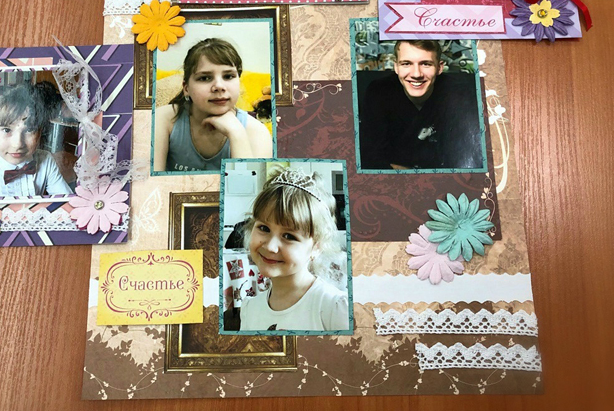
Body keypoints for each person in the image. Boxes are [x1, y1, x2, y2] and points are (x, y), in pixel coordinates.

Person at [239, 168, 349, 332]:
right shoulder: (250, 309)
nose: (270, 247)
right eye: (264, 228)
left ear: (316, 247)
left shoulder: (334, 308)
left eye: (289, 236)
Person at [359, 40, 483, 170]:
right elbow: (370, 157)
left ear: (439, 68)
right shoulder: (378, 91)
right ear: (396, 67)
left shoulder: (461, 94)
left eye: (426, 64)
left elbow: (466, 158)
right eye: (406, 64)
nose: (416, 74)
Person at [153, 38, 273, 172]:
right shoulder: (162, 119)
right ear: (186, 88)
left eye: (228, 76)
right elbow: (147, 182)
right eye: (205, 78)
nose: (219, 86)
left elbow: (251, 185)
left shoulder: (258, 132)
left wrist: (237, 134)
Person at [0, 83, 73, 198]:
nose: (17, 144)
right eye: (6, 130)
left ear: (40, 132)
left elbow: (66, 202)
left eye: (29, 130)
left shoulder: (46, 160)